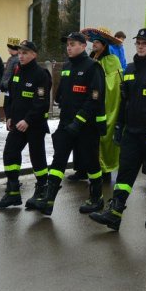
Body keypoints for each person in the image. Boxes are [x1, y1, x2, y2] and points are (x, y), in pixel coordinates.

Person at [90, 28, 146, 231]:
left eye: (145, 43)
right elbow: (124, 101)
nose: (140, 45)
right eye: (138, 42)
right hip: (132, 132)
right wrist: (120, 125)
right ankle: (115, 212)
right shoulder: (129, 69)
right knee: (125, 173)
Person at [31, 32, 107, 216]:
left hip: (86, 125)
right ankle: (49, 200)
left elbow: (94, 98)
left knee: (90, 162)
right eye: (68, 45)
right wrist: (59, 98)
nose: (69, 47)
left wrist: (78, 121)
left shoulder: (93, 67)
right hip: (66, 123)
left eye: (73, 44)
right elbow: (63, 90)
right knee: (58, 160)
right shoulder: (67, 66)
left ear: (83, 46)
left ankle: (97, 198)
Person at [0, 40, 51, 209]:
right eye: (19, 53)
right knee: (10, 153)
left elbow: (41, 102)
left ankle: (41, 190)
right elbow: (10, 96)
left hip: (35, 124)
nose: (21, 56)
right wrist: (9, 116)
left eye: (25, 53)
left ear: (34, 55)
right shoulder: (17, 71)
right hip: (17, 123)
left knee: (37, 157)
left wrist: (28, 120)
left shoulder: (41, 74)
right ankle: (12, 192)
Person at [79, 27, 124, 183]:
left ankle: (105, 170)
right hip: (87, 104)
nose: (94, 45)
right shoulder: (91, 59)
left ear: (104, 45)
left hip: (105, 105)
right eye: (94, 42)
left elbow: (114, 84)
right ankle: (84, 169)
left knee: (104, 138)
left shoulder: (113, 60)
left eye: (98, 42)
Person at [1, 37, 20, 120]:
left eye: (9, 48)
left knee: (8, 107)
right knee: (6, 107)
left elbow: (14, 75)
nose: (8, 50)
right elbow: (6, 73)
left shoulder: (16, 60)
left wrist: (6, 83)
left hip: (12, 88)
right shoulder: (11, 58)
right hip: (8, 87)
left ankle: (12, 126)